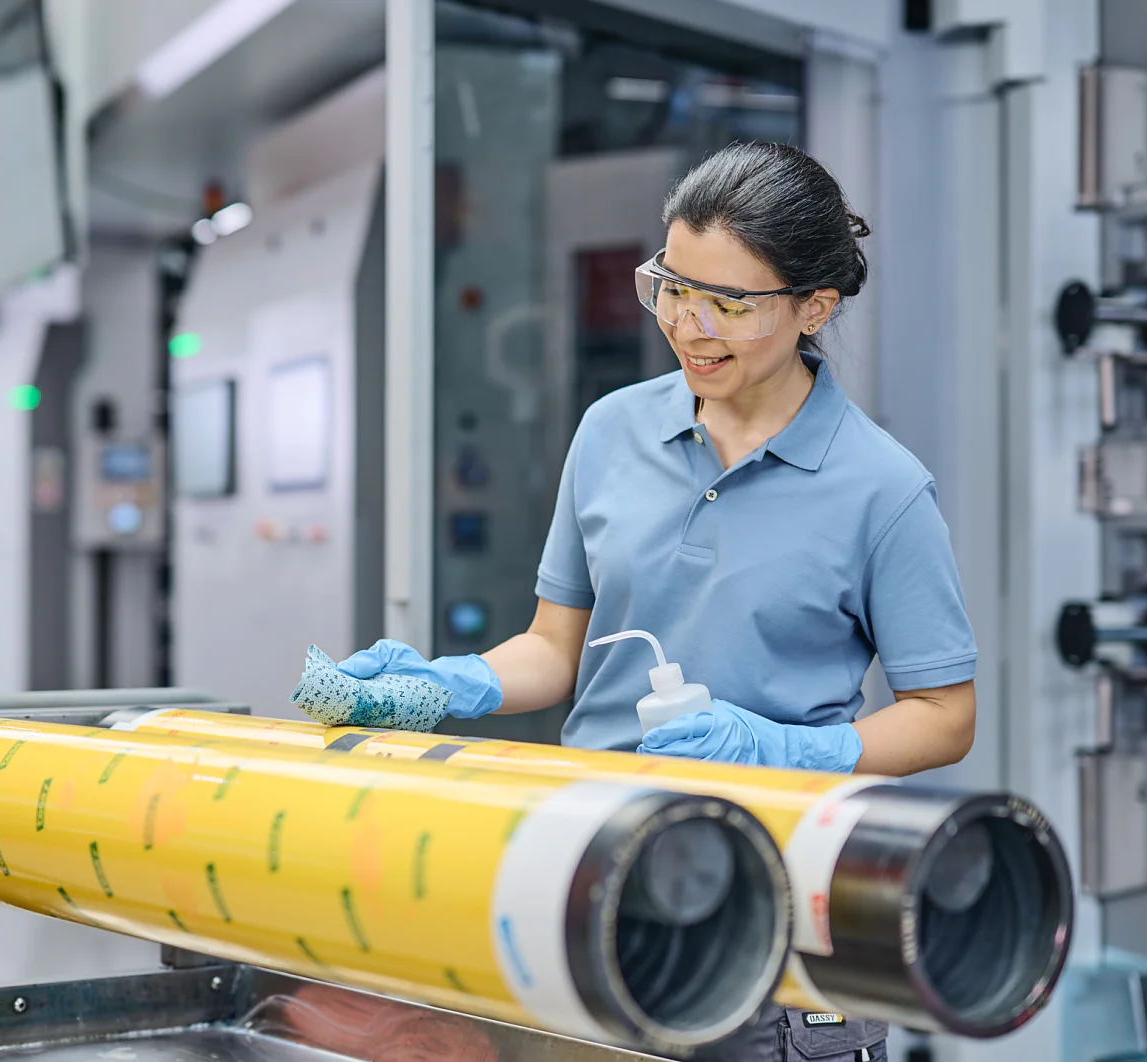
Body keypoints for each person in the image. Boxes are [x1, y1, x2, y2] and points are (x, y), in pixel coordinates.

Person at [335, 141, 976, 1062]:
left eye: (729, 303)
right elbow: (557, 650)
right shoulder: (612, 431)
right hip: (595, 888)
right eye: (673, 286)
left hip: (767, 904)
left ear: (814, 309)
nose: (689, 325)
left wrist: (798, 750)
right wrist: (447, 685)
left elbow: (945, 716)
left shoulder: (882, 490)